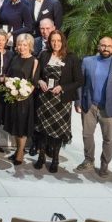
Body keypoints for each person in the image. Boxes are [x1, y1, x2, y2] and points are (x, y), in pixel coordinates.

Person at [76, 36, 112, 177]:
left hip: (110, 109)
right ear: (98, 46)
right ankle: (89, 160)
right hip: (89, 106)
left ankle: (105, 164)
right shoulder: (87, 61)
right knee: (87, 135)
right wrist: (78, 102)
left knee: (108, 139)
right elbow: (80, 83)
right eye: (103, 45)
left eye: (109, 46)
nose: (106, 48)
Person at [34, 30, 82, 173]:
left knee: (58, 131)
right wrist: (40, 81)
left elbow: (79, 80)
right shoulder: (44, 55)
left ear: (63, 42)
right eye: (53, 40)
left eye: (59, 40)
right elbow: (36, 75)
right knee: (43, 130)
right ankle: (41, 157)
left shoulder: (72, 57)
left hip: (62, 101)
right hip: (45, 99)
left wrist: (62, 87)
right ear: (49, 42)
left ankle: (55, 159)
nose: (56, 43)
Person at [2, 33, 40, 165]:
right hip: (12, 98)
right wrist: (9, 85)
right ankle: (19, 149)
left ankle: (19, 154)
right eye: (19, 44)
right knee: (15, 126)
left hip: (25, 100)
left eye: (25, 45)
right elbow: (8, 75)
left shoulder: (34, 61)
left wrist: (23, 94)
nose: (22, 47)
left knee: (22, 127)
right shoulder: (14, 58)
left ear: (30, 46)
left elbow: (34, 82)